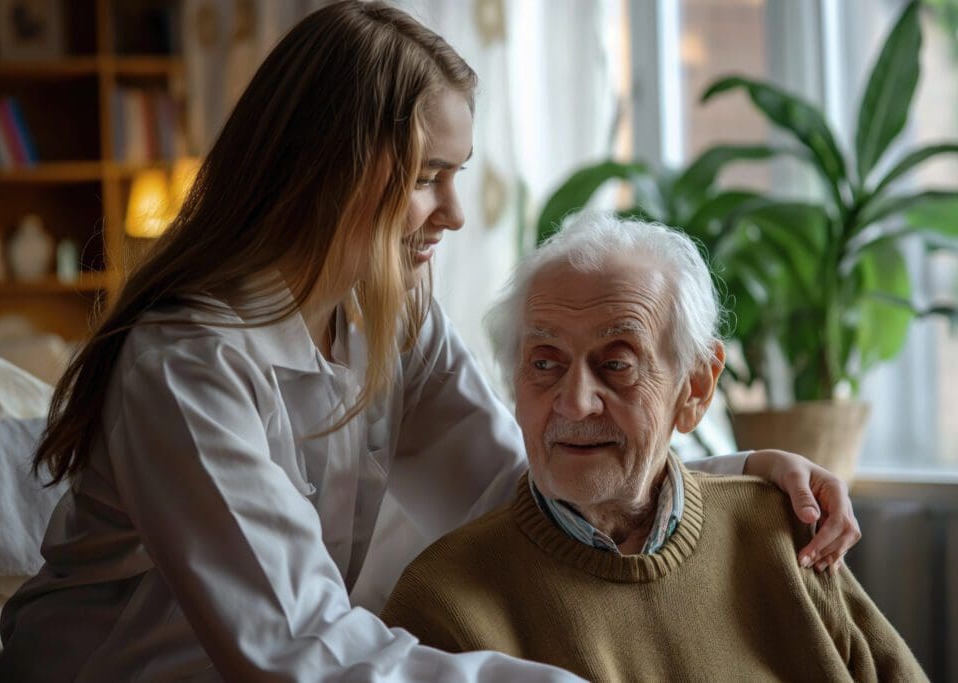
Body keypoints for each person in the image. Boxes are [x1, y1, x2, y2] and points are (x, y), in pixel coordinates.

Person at [0, 3, 860, 681]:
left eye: (458, 176)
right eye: (427, 177)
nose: (453, 213)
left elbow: (521, 496)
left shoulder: (390, 315)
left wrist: (728, 477)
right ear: (329, 168)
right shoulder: (184, 366)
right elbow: (295, 652)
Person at [381, 211, 924, 682]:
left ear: (695, 387)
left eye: (616, 364)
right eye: (544, 363)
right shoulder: (442, 604)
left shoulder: (785, 536)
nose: (574, 403)